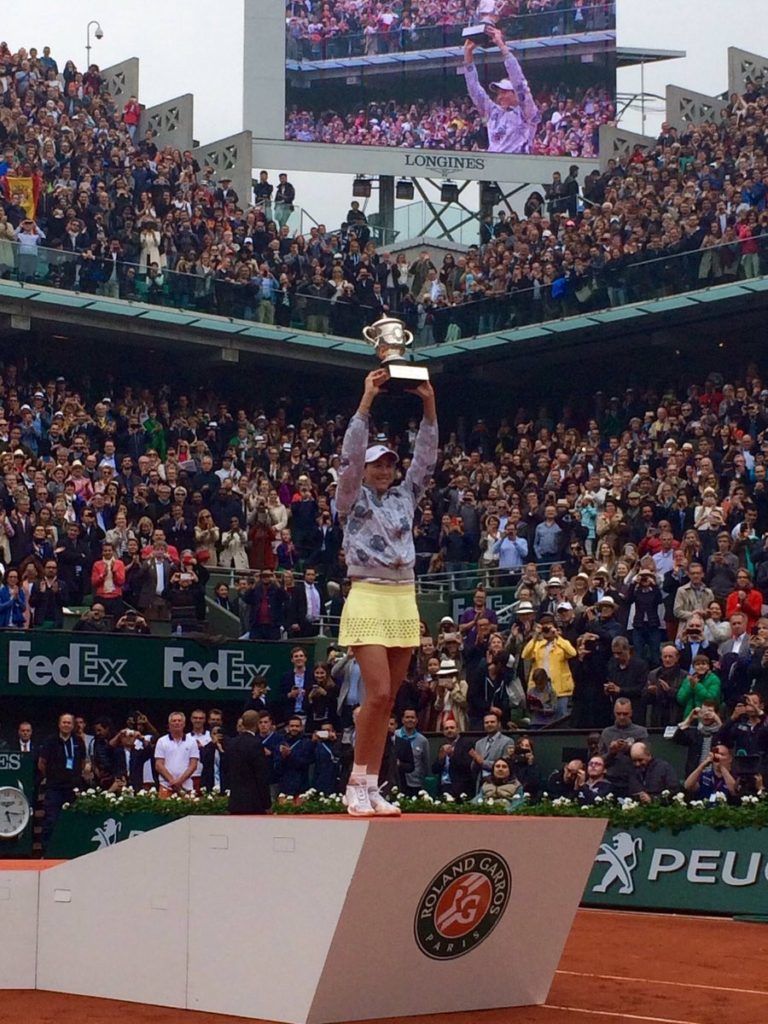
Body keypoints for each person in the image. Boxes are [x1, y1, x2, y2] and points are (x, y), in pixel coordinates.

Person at [335, 369, 437, 816]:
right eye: (377, 463)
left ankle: (371, 784)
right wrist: (364, 403)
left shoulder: (406, 496)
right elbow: (349, 460)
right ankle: (355, 781)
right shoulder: (351, 498)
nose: (383, 469)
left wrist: (429, 405)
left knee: (390, 699)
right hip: (368, 593)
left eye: (388, 464)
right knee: (375, 693)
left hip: (403, 596)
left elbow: (426, 461)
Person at [463, 27, 539, 154]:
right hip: (494, 164)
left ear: (515, 94)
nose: (500, 96)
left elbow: (519, 82)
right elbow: (474, 90)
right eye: (499, 93)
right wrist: (468, 54)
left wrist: (501, 45)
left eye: (504, 92)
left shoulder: (526, 112)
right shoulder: (493, 111)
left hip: (517, 165)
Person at [38, 712, 93, 848]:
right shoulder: (50, 741)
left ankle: (69, 848)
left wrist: (78, 774)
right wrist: (50, 776)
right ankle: (47, 850)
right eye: (64, 722)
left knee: (73, 818)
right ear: (59, 724)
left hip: (72, 787)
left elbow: (82, 761)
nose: (66, 725)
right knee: (51, 819)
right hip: (54, 787)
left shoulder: (78, 741)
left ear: (73, 725)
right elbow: (42, 763)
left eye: (69, 723)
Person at [598, 699, 649, 797]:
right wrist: (611, 752)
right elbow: (599, 761)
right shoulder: (606, 733)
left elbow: (646, 758)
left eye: (625, 714)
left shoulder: (641, 732)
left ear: (631, 713)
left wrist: (629, 749)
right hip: (611, 780)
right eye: (619, 713)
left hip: (634, 780)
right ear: (614, 713)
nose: (622, 717)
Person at [227, 710, 271, 814]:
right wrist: (267, 804)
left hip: (235, 800)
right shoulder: (256, 744)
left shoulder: (232, 743)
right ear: (257, 723)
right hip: (253, 802)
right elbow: (260, 775)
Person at [154, 711, 199, 798]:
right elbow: (158, 765)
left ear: (184, 724)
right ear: (169, 724)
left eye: (179, 720)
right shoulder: (161, 741)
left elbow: (193, 765)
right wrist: (172, 781)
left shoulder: (192, 741)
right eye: (174, 721)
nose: (177, 723)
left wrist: (179, 781)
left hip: (186, 786)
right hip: (166, 785)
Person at [432, 718, 475, 801]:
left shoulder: (466, 744)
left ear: (458, 730)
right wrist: (441, 758)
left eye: (452, 728)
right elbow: (434, 770)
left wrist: (452, 756)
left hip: (460, 787)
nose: (449, 730)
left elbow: (467, 767)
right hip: (443, 786)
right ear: (443, 732)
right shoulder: (442, 746)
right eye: (446, 728)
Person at [395, 708, 430, 796]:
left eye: (412, 717)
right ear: (402, 720)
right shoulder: (394, 736)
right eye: (407, 717)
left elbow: (425, 763)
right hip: (397, 782)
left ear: (417, 720)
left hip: (415, 783)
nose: (410, 720)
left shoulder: (423, 740)